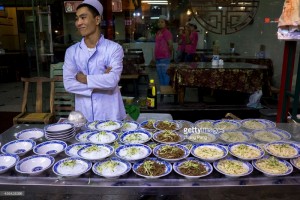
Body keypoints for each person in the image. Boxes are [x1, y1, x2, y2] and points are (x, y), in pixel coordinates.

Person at [63, 0, 126, 122]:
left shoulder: (114, 49)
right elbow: (69, 84)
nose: (78, 23)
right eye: (77, 19)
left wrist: (84, 78)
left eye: (83, 17)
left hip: (110, 114)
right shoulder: (71, 52)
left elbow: (112, 80)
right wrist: (102, 80)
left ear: (97, 20)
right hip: (83, 116)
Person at [154, 15, 173, 86]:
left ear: (166, 23)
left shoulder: (167, 32)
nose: (160, 23)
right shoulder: (158, 32)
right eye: (159, 22)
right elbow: (157, 45)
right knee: (160, 75)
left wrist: (170, 56)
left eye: (162, 22)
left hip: (165, 58)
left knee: (165, 75)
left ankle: (166, 91)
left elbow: (170, 45)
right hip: (158, 58)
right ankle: (162, 90)